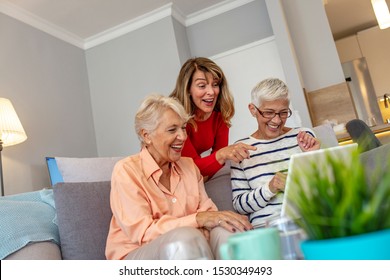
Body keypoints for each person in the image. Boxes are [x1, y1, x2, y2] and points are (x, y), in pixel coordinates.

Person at [105, 94, 252, 260]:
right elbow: (144, 232)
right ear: (147, 136)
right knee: (185, 238)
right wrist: (198, 220)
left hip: (190, 243)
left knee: (228, 230)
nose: (183, 137)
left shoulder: (189, 166)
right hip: (135, 254)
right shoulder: (126, 171)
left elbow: (209, 213)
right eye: (172, 130)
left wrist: (210, 220)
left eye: (183, 128)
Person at [230, 78, 321, 228]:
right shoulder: (241, 149)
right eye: (269, 112)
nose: (277, 120)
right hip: (269, 228)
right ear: (253, 110)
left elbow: (324, 190)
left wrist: (311, 157)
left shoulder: (304, 137)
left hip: (308, 220)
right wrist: (270, 188)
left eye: (283, 113)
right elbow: (240, 205)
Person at [170, 57, 255, 181]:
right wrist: (221, 155)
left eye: (215, 84)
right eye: (202, 85)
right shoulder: (176, 118)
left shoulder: (219, 116)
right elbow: (193, 167)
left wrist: (217, 159)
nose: (211, 92)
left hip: (190, 177)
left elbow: (215, 163)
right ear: (188, 89)